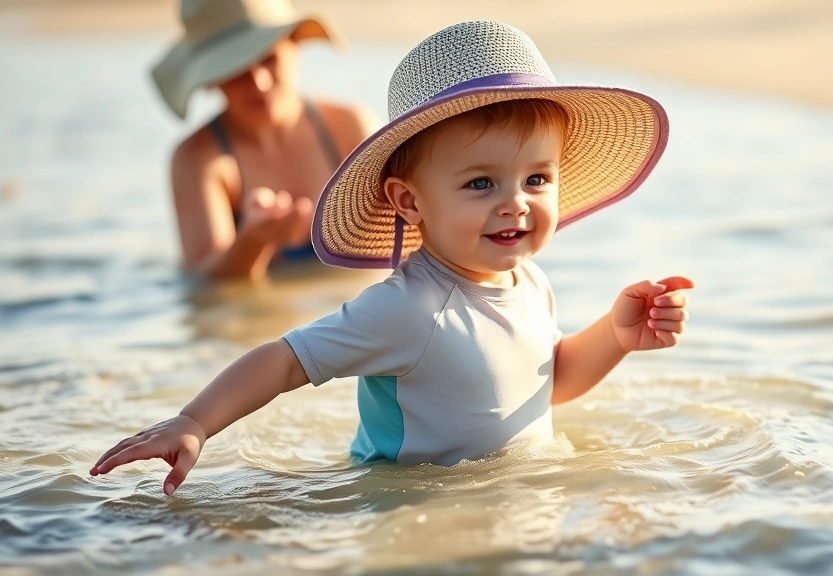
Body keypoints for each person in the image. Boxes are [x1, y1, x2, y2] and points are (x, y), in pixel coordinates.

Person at [90, 21, 693, 495]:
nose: (515, 203)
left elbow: (548, 381)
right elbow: (284, 361)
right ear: (410, 202)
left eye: (537, 179)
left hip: (516, 494)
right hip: (410, 506)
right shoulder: (407, 308)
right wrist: (194, 423)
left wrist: (615, 335)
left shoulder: (528, 281)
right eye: (481, 184)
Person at [153, 0, 380, 279]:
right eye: (236, 70)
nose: (258, 83)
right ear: (211, 80)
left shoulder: (350, 128)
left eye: (267, 58)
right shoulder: (198, 158)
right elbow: (206, 285)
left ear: (294, 45)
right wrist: (253, 241)